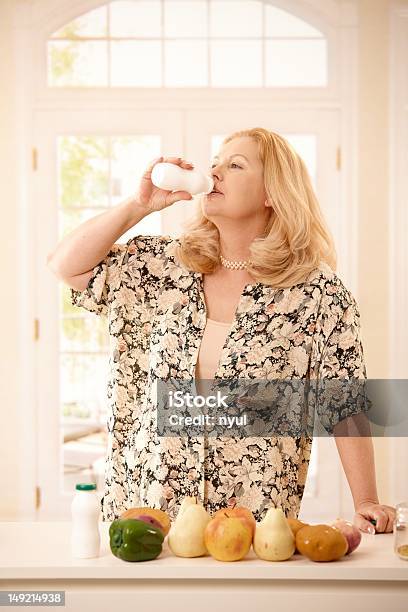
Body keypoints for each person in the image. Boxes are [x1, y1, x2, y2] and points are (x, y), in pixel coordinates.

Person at [48, 127, 395, 533]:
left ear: (271, 192)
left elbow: (345, 404)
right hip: (147, 516)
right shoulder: (162, 266)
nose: (215, 172)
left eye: (235, 165)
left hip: (254, 524)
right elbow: (65, 266)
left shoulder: (316, 293)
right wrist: (138, 205)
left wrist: (366, 500)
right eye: (216, 162)